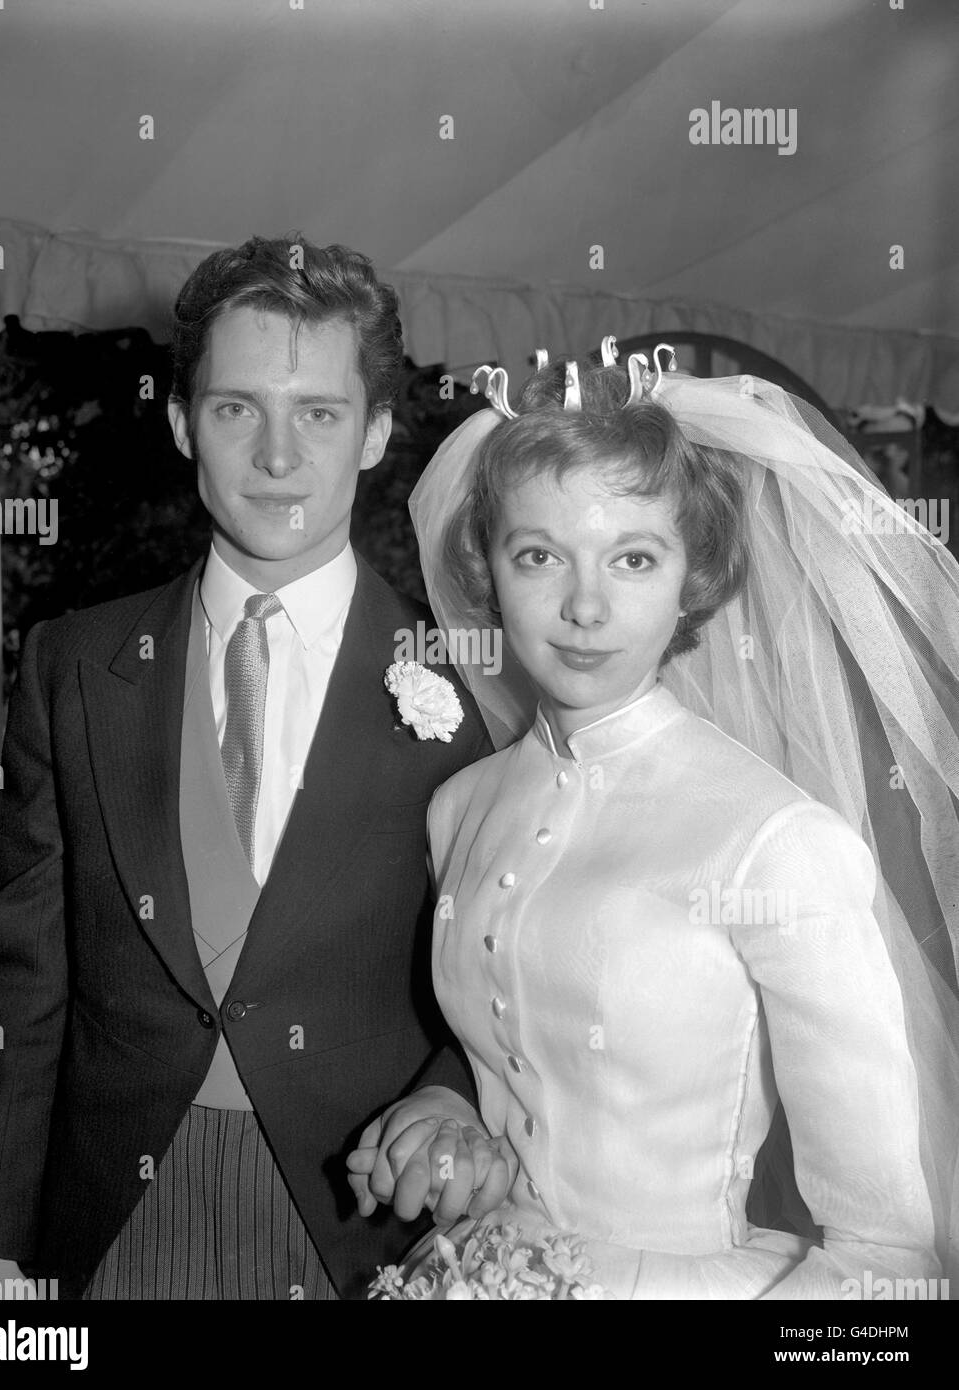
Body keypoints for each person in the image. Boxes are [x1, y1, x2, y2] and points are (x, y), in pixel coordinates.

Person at [0, 234, 498, 1301]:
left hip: (359, 1227)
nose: (277, 457)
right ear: (181, 421)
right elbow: (22, 977)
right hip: (110, 1225)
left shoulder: (468, 686)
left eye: (319, 414)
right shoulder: (71, 667)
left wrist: (446, 1102)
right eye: (239, 407)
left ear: (377, 432)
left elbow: (503, 985)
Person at [348, 343, 959, 1299]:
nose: (585, 605)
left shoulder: (776, 844)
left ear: (694, 576)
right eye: (539, 555)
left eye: (634, 557)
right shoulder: (456, 809)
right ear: (488, 571)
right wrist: (451, 1116)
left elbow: (886, 1265)